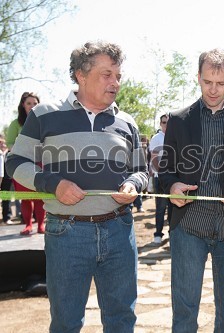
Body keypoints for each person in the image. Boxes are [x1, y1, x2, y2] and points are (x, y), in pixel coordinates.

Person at [6, 41, 148, 332]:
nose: (115, 82)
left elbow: (141, 170)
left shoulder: (127, 121)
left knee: (122, 319)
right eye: (107, 74)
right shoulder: (44, 114)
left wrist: (133, 184)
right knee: (66, 322)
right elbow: (14, 162)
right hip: (66, 234)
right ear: (81, 75)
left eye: (118, 75)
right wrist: (53, 184)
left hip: (120, 231)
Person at [159, 48, 224, 332]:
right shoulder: (178, 119)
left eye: (221, 83)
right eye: (207, 82)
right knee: (184, 308)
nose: (213, 90)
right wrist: (173, 185)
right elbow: (165, 169)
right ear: (198, 78)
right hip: (189, 225)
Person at [7, 92, 46, 234]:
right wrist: (22, 152)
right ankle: (28, 225)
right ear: (23, 105)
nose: (32, 106)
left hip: (41, 164)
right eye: (29, 103)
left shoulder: (44, 122)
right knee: (25, 199)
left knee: (40, 198)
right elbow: (9, 143)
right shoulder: (15, 124)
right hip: (21, 165)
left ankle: (41, 225)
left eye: (35, 103)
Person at [149, 114, 169, 244]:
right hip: (160, 178)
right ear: (160, 124)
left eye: (168, 122)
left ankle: (172, 234)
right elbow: (154, 158)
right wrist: (163, 174)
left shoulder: (177, 136)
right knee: (161, 208)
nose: (166, 124)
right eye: (164, 122)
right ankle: (158, 233)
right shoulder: (157, 138)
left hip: (175, 179)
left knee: (174, 208)